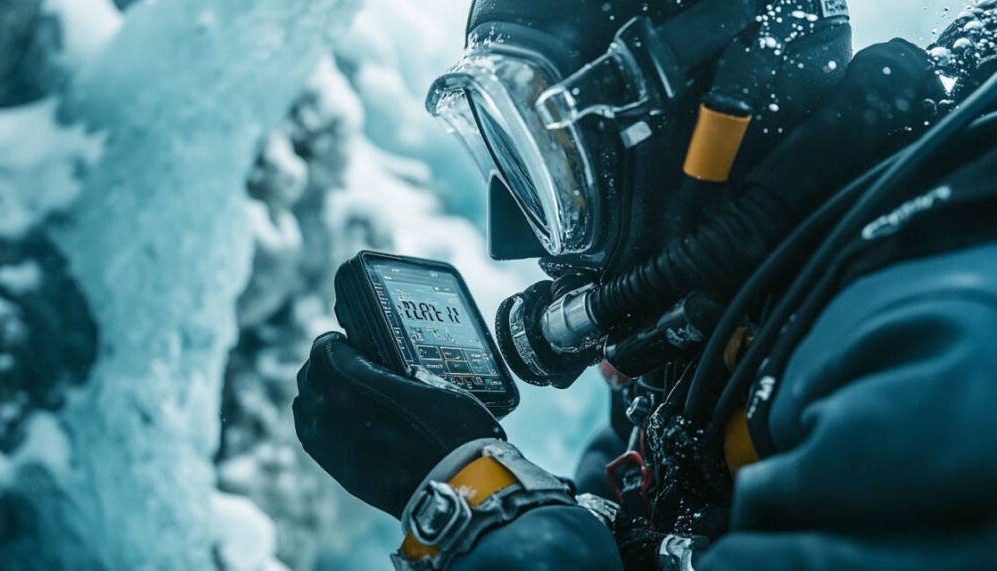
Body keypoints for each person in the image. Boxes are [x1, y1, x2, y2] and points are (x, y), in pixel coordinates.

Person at [293, 0, 997, 569]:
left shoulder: (939, 353)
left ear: (718, 107)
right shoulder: (712, 326)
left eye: (553, 161)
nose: (514, 234)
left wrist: (474, 503)